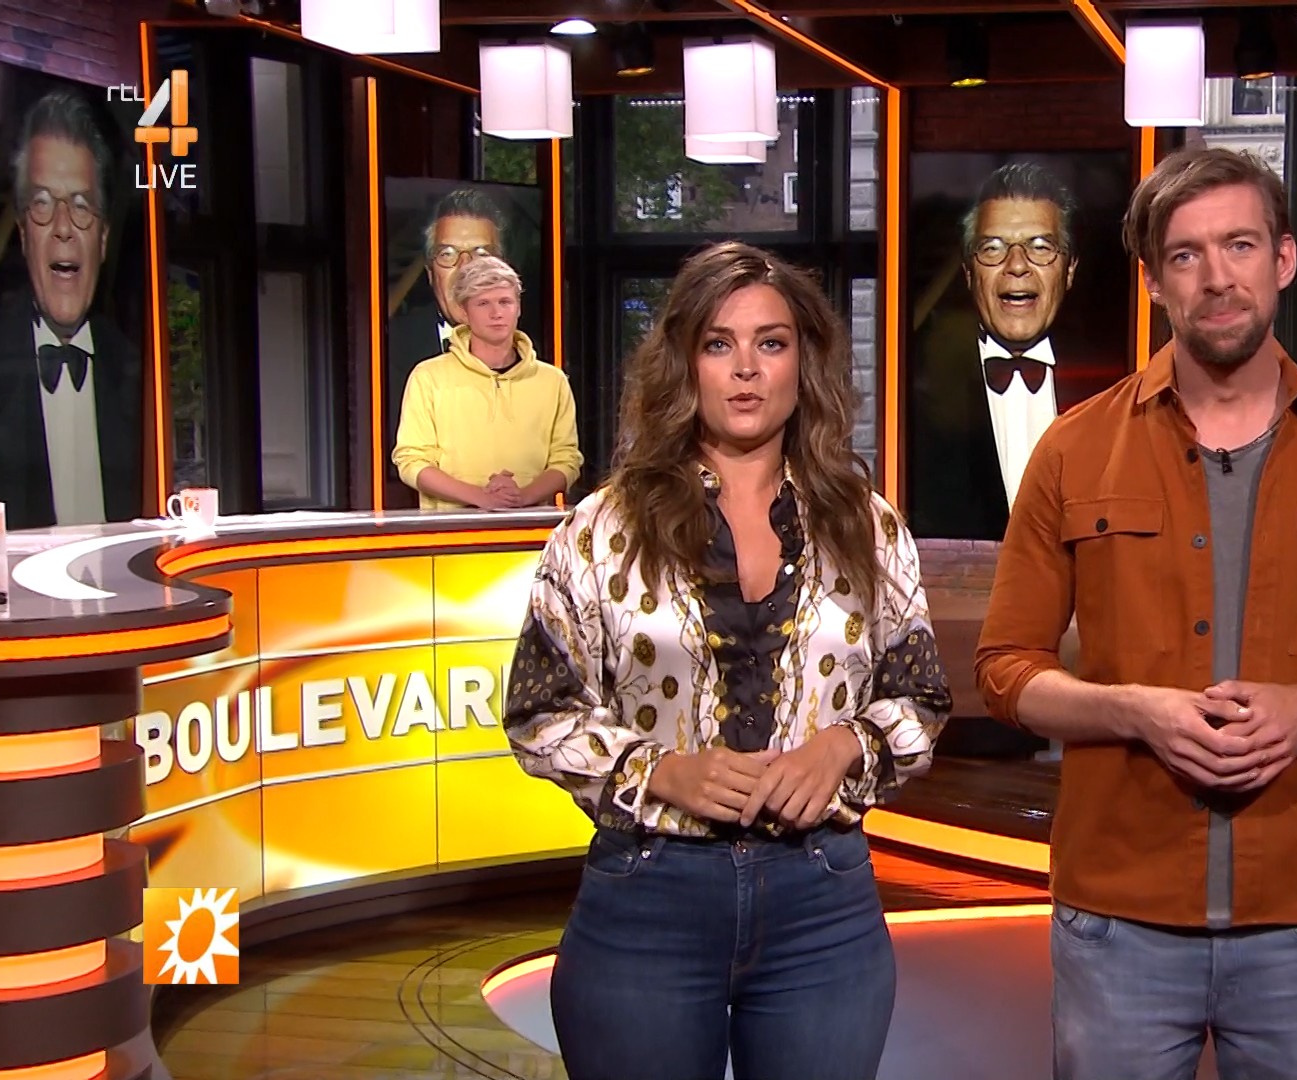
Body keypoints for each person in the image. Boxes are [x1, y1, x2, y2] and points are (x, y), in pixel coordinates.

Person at [975, 145, 1297, 1080]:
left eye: (1240, 245)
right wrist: (1133, 711)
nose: (1217, 276)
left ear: (1284, 259)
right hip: (1117, 914)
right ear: (1155, 281)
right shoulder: (1072, 451)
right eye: (1186, 255)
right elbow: (1004, 669)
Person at [502, 241, 951, 1080]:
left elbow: (920, 697)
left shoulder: (868, 525)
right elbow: (538, 710)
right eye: (719, 344)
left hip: (822, 900)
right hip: (648, 896)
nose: (746, 368)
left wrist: (845, 746)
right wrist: (660, 771)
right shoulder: (601, 528)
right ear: (685, 364)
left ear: (803, 364)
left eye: (770, 343)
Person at [0, 89, 141, 528]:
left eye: (81, 206)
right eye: (43, 205)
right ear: (23, 236)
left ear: (102, 240)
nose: (64, 227)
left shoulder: (138, 377)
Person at [909, 161, 1083, 541]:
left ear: (1069, 270)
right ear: (969, 273)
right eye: (992, 249)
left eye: (1040, 248)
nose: (1017, 266)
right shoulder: (915, 406)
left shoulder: (1116, 392)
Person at [392, 255, 582, 511]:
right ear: (464, 312)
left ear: (518, 308)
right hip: (450, 527)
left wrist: (521, 497)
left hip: (533, 526)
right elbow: (411, 460)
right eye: (483, 303)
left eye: (505, 302)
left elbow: (567, 459)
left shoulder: (552, 381)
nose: (496, 313)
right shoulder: (429, 377)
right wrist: (480, 497)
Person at [386, 187, 509, 502]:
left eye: (481, 254)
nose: (466, 268)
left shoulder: (540, 361)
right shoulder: (391, 349)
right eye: (448, 254)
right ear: (430, 274)